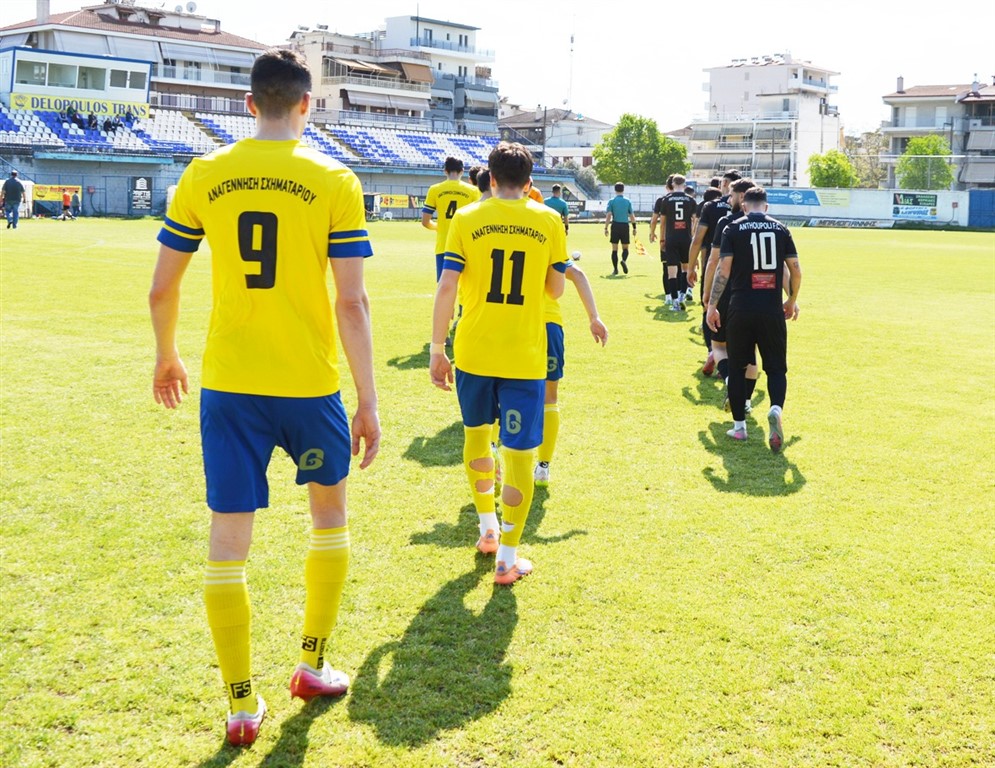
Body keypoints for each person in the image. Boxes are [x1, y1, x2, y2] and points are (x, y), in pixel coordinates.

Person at [149, 48, 380, 747]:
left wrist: (166, 354)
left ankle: (241, 705)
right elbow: (351, 301)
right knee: (329, 519)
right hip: (309, 384)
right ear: (307, 104)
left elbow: (162, 288)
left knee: (228, 544)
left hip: (230, 384)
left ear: (249, 104)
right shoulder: (334, 178)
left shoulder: (204, 173)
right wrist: (367, 399)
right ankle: (311, 664)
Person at [430, 141, 568, 585]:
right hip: (524, 354)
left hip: (473, 348)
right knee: (519, 454)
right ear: (529, 183)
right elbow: (555, 290)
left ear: (489, 178)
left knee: (476, 438)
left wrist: (436, 348)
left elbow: (447, 285)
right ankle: (507, 557)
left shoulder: (467, 218)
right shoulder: (548, 219)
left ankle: (487, 527)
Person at [706, 186, 801, 451]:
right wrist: (791, 300)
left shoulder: (733, 228)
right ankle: (775, 408)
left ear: (744, 205)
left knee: (737, 368)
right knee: (776, 368)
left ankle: (739, 428)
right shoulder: (781, 229)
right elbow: (795, 270)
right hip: (771, 309)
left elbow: (723, 270)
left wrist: (712, 305)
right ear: (766, 207)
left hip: (740, 308)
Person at [534, 261, 608, 486]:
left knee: (506, 390)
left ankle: (493, 450)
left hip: (513, 325)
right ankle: (543, 467)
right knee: (549, 397)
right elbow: (576, 273)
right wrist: (594, 317)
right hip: (549, 324)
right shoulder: (549, 240)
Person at [421, 156, 480, 282]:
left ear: (445, 171)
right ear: (462, 171)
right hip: (466, 244)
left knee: (444, 285)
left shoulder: (435, 189)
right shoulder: (473, 191)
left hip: (444, 244)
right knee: (466, 286)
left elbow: (425, 222)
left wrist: (439, 227)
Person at [650, 174, 697, 311]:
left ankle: (675, 302)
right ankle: (682, 296)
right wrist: (692, 235)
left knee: (671, 271)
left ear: (673, 184)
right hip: (686, 238)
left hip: (671, 238)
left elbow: (662, 222)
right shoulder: (690, 200)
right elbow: (695, 220)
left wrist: (662, 239)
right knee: (685, 269)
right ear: (684, 185)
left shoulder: (666, 200)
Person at [604, 182, 636, 275]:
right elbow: (631, 215)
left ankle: (615, 269)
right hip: (625, 225)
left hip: (615, 225)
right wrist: (634, 227)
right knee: (625, 248)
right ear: (623, 189)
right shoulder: (627, 201)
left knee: (614, 249)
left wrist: (606, 227)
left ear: (615, 190)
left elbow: (609, 215)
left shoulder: (612, 201)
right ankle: (623, 260)